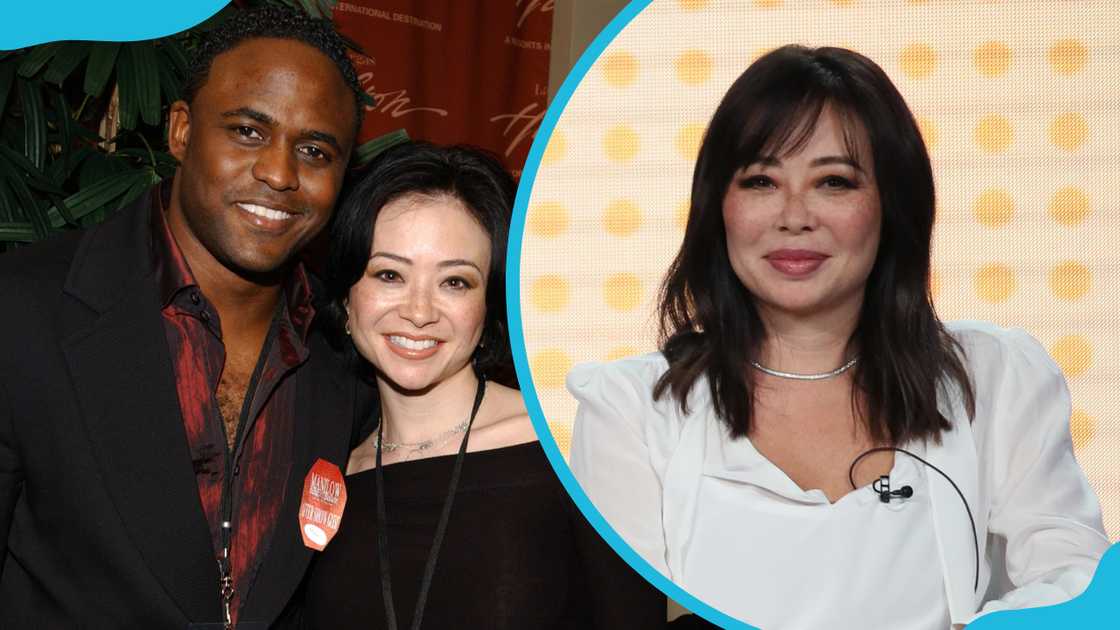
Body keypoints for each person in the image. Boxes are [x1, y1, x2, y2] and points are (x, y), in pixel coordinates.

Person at [567, 45, 1110, 629]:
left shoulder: (996, 378)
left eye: (833, 181)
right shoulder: (629, 410)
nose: (794, 216)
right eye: (760, 181)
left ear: (891, 206)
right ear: (717, 207)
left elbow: (1077, 584)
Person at [0, 7, 375, 628]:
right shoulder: (23, 313)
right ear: (180, 131)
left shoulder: (350, 359)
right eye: (248, 132)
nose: (280, 174)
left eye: (314, 149)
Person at [302, 142, 667, 629]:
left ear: (489, 304)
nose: (418, 311)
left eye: (455, 282)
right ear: (347, 297)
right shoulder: (331, 475)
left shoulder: (577, 446)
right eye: (389, 274)